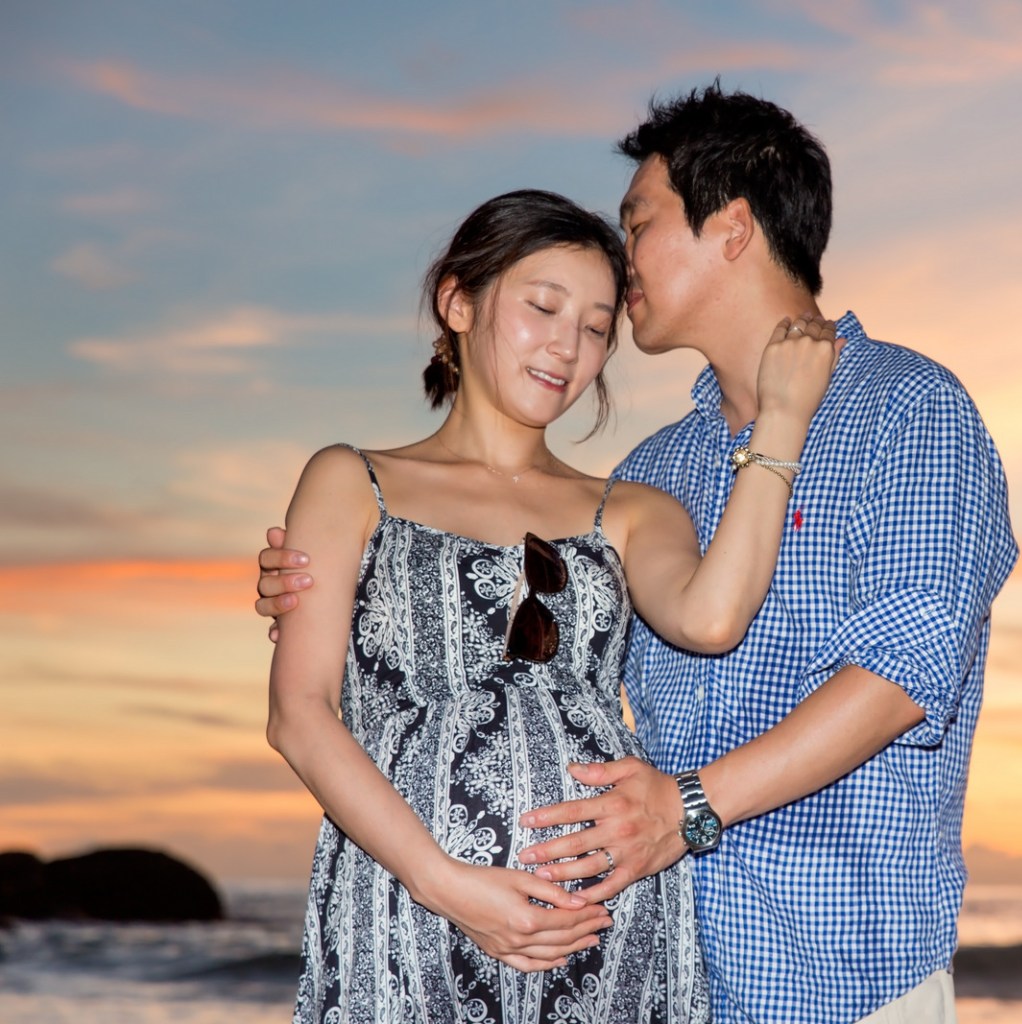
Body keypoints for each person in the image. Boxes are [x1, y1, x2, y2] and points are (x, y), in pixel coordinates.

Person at [259, 84, 1017, 1023]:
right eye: (548, 307)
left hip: (834, 969)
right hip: (664, 957)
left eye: (639, 222)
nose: (621, 266)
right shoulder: (658, 467)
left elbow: (908, 669)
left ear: (731, 228)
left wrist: (687, 808)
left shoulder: (908, 410)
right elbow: (531, 660)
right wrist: (359, 595)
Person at [263, 187, 839, 1023]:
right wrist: (446, 884)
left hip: (612, 930)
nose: (568, 346)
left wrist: (780, 424)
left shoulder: (633, 509)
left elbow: (712, 619)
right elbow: (299, 715)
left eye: (598, 326)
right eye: (542, 307)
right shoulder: (351, 481)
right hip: (411, 912)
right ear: (457, 301)